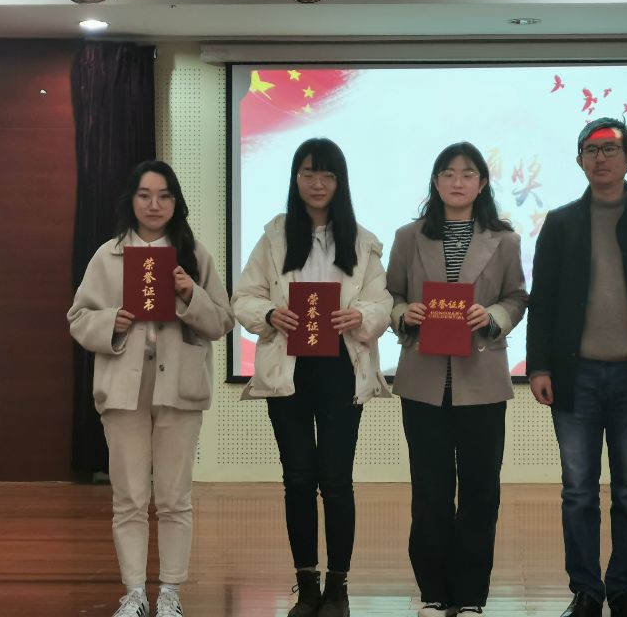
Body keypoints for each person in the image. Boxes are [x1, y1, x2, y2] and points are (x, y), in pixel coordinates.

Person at [526, 118, 627, 617]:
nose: (601, 158)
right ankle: (585, 590)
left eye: (611, 149)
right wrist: (538, 367)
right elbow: (542, 301)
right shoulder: (560, 223)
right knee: (578, 492)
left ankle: (624, 590)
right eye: (591, 150)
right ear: (579, 160)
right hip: (574, 377)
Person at [232, 138, 393, 617]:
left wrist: (360, 315)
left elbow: (383, 303)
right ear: (295, 179)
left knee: (336, 480)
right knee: (298, 478)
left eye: (327, 175)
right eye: (308, 173)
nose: (317, 183)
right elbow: (243, 296)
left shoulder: (362, 241)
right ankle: (306, 586)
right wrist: (269, 313)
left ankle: (338, 588)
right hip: (290, 369)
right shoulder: (275, 237)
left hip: (342, 368)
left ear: (340, 182)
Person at [68, 160, 234, 617]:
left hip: (179, 389)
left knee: (175, 497)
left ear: (176, 202)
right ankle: (135, 592)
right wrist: (112, 321)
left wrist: (189, 294)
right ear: (132, 200)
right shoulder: (108, 256)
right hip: (124, 390)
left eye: (164, 196)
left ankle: (170, 594)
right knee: (129, 498)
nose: (154, 204)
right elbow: (78, 318)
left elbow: (221, 321)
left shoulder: (194, 255)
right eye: (145, 195)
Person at [386, 142, 528, 617]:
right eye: (447, 173)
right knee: (429, 491)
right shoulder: (409, 237)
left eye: (468, 174)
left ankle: (469, 597)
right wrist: (404, 313)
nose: (457, 182)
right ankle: (433, 592)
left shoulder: (504, 239)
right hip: (423, 380)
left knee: (480, 492)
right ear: (435, 181)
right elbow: (390, 296)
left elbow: (516, 297)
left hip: (481, 378)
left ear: (482, 183)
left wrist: (493, 316)